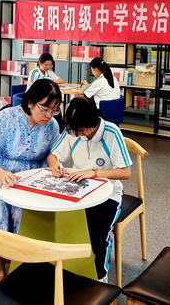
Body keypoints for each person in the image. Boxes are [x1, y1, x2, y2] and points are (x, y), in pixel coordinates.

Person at [0, 78, 62, 286]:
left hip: (30, 181)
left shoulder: (52, 125)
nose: (49, 115)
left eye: (54, 110)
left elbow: (52, 152)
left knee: (24, 217)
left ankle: (21, 267)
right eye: (45, 109)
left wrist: (53, 163)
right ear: (30, 102)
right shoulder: (6, 118)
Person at [46, 96, 132, 282]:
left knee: (98, 235)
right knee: (59, 225)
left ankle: (101, 277)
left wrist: (94, 173)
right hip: (78, 190)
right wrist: (55, 166)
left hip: (109, 194)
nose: (79, 134)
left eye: (82, 130)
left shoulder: (111, 132)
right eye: (76, 130)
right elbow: (53, 155)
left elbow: (126, 172)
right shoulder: (74, 130)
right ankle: (68, 271)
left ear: (93, 122)